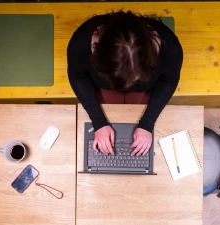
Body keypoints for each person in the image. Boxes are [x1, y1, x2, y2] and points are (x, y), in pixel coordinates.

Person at [67, 10, 183, 157]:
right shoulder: (80, 42)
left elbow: (169, 81)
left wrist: (147, 124)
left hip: (143, 90)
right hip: (105, 88)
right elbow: (78, 78)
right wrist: (98, 123)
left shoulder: (171, 49)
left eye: (136, 78)